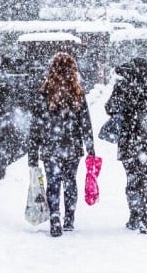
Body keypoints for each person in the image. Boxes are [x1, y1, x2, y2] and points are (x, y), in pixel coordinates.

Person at [27, 52, 95, 237]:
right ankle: (69, 218)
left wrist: (33, 154)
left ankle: (55, 215)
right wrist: (90, 148)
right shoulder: (77, 93)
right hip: (72, 146)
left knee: (53, 182)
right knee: (70, 181)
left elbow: (36, 126)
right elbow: (85, 123)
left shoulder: (44, 93)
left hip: (51, 147)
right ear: (73, 70)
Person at [105, 57, 147, 234]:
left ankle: (134, 215)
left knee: (132, 179)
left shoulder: (123, 86)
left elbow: (110, 108)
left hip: (129, 140)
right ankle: (145, 217)